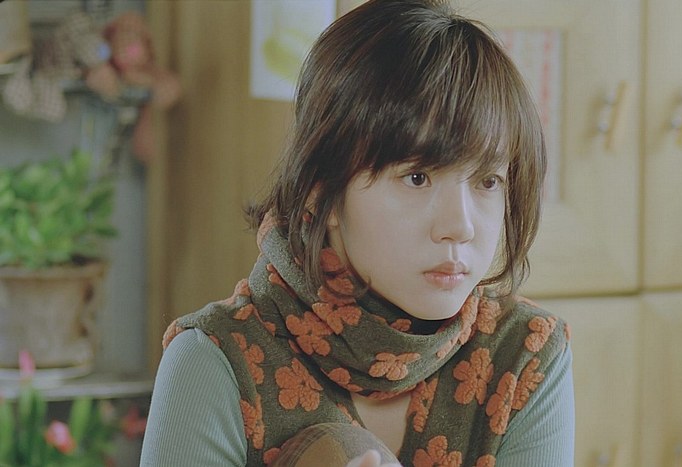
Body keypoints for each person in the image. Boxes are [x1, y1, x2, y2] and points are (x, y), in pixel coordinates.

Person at [140, 0, 574, 465]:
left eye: (487, 181)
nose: (461, 226)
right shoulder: (214, 361)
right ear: (322, 192)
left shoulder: (523, 353)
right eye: (417, 178)